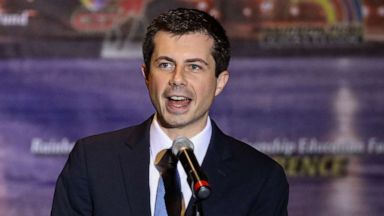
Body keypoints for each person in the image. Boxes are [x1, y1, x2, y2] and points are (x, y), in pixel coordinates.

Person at [51, 8, 289, 216]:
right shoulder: (93, 161)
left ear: (220, 81)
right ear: (146, 75)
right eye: (165, 65)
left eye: (194, 67)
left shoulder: (260, 177)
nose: (177, 79)